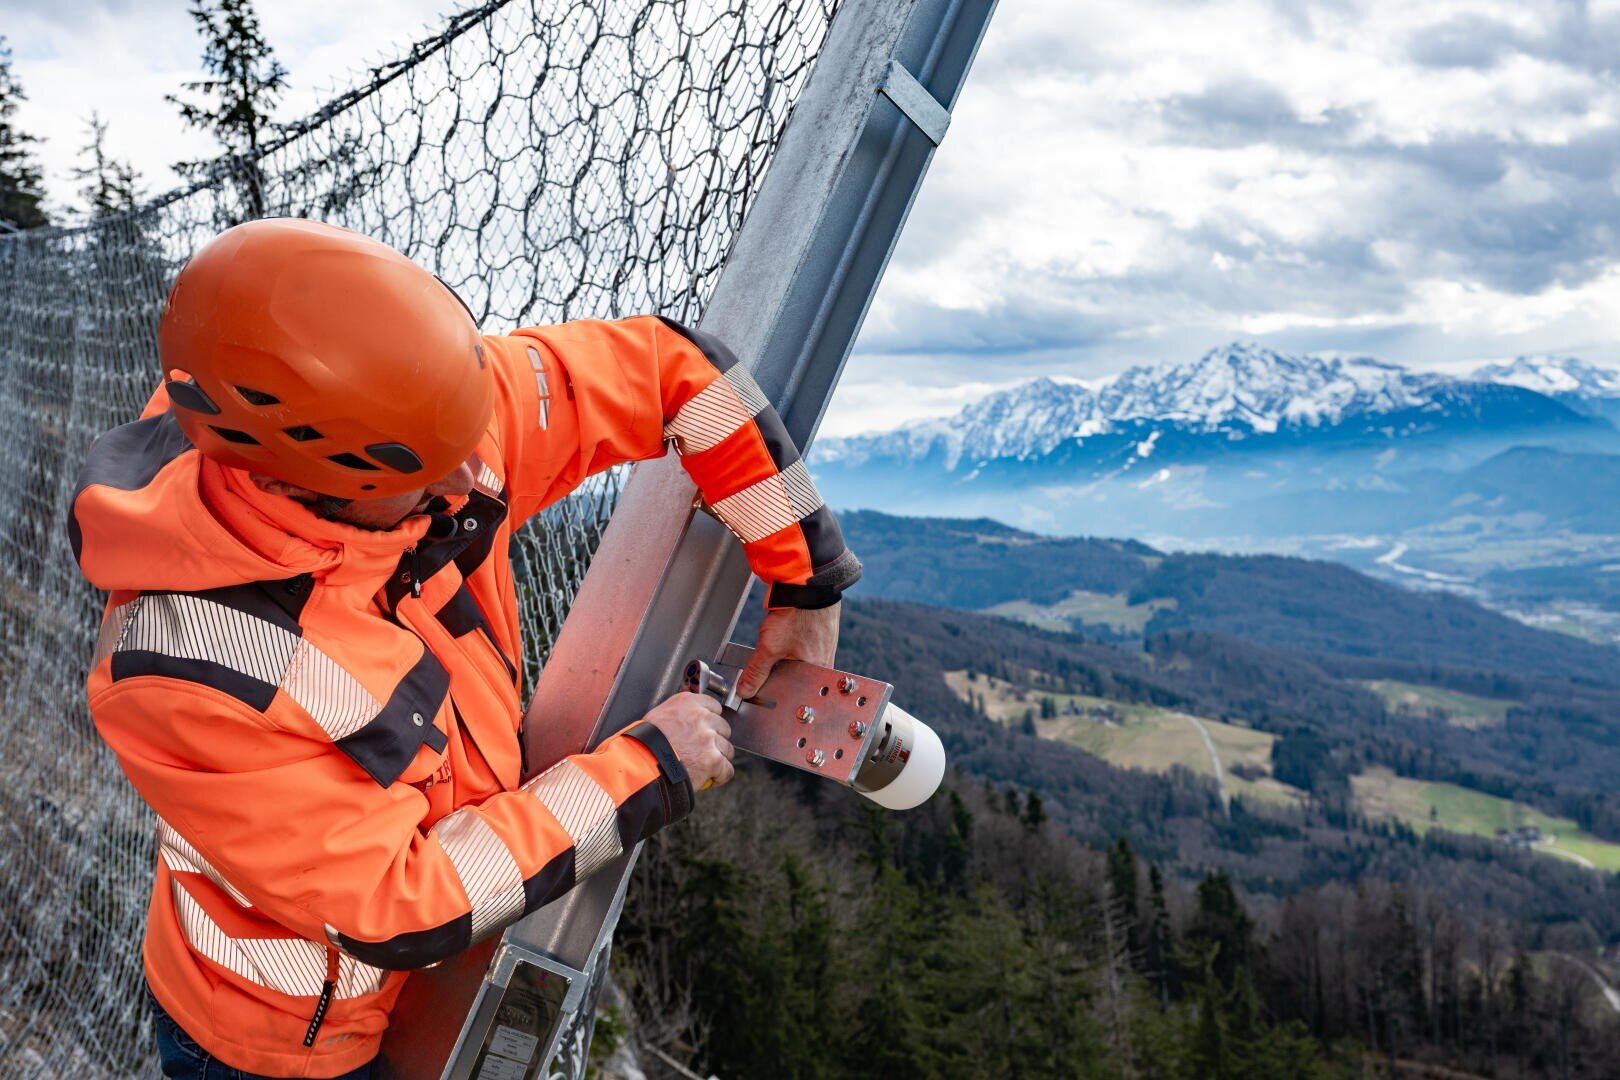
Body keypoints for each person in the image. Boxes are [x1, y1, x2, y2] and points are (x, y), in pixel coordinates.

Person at [73, 218, 860, 1079]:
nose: (467, 482)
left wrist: (805, 579)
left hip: (417, 960)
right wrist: (649, 767)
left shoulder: (409, 414)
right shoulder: (185, 669)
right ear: (316, 479)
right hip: (275, 1041)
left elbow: (673, 371)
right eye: (427, 477)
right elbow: (396, 904)